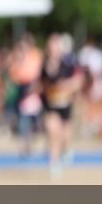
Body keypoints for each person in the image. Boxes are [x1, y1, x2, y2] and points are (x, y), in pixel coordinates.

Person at [40, 34, 81, 178]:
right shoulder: (43, 65)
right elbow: (41, 84)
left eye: (55, 46)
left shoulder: (68, 63)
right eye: (50, 46)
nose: (53, 49)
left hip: (65, 104)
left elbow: (78, 81)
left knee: (64, 135)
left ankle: (65, 151)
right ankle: (53, 163)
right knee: (52, 131)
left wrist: (64, 87)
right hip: (50, 105)